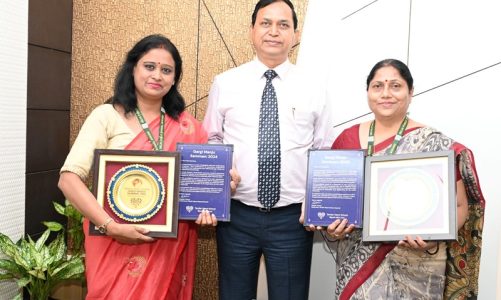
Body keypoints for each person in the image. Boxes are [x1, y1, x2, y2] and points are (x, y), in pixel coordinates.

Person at [58, 34, 217, 299]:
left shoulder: (187, 126)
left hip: (166, 248)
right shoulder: (106, 116)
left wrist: (223, 185)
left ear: (175, 78)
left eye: (167, 70)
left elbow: (204, 179)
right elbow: (68, 179)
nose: (157, 75)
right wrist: (110, 226)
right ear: (133, 68)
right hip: (112, 241)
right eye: (149, 66)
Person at [202, 0, 333, 299]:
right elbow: (212, 140)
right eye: (266, 23)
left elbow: (323, 150)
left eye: (283, 25)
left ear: (295, 35)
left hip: (292, 221)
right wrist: (221, 175)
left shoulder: (314, 86)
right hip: (236, 216)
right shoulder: (225, 83)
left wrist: (315, 202)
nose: (274, 31)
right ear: (252, 30)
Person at [325, 58, 485, 299]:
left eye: (395, 86)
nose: (386, 94)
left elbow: (460, 205)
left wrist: (432, 240)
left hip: (419, 266)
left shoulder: (433, 143)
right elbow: (331, 202)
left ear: (411, 92)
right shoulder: (346, 141)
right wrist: (332, 231)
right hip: (357, 270)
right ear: (368, 92)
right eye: (377, 86)